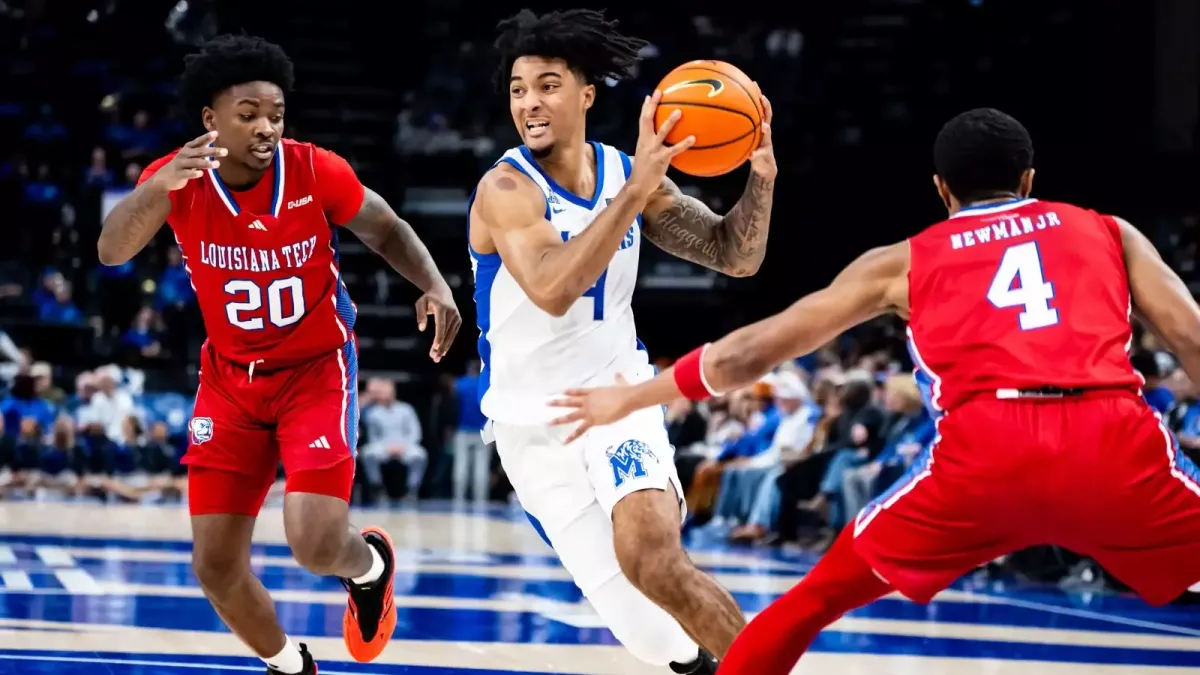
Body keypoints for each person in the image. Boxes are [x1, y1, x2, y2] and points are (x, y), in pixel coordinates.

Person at [551, 107, 1200, 674]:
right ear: (1031, 180)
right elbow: (1191, 338)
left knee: (809, 604)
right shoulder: (1109, 232)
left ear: (942, 190)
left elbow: (756, 349)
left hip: (983, 454)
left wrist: (635, 397)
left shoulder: (904, 260)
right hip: (1110, 440)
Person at [97, 34, 462, 674]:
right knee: (213, 565)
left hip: (316, 368)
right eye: (248, 115)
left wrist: (433, 284)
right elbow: (111, 251)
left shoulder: (315, 169)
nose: (266, 127)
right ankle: (290, 664)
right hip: (231, 380)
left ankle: (370, 567)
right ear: (211, 121)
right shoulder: (174, 179)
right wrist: (156, 193)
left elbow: (385, 227)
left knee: (316, 544)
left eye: (276, 114)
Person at [468, 8, 777, 671]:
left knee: (655, 559)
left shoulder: (623, 174)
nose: (530, 102)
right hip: (531, 428)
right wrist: (635, 192)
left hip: (617, 400)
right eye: (519, 89)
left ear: (586, 93)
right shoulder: (505, 188)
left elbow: (735, 254)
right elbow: (550, 287)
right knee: (656, 639)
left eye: (547, 84)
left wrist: (761, 178)